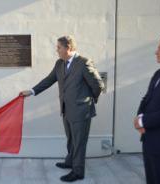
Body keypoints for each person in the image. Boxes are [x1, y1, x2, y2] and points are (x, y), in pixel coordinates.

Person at [20, 35, 104, 182]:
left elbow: (98, 85)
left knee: (79, 142)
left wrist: (88, 101)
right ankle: (70, 161)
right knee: (71, 139)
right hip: (66, 109)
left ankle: (78, 172)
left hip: (81, 110)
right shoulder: (60, 63)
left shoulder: (83, 63)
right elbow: (49, 80)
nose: (56, 50)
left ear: (68, 48)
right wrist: (32, 91)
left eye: (59, 47)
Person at [134, 34, 160, 184]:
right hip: (149, 138)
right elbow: (146, 100)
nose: (156, 52)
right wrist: (139, 119)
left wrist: (144, 121)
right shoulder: (159, 74)